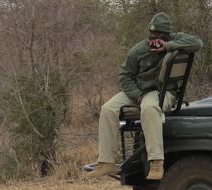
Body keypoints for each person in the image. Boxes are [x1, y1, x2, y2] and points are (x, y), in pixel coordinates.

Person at [85, 13, 202, 181]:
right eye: (152, 34)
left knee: (149, 107)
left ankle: (156, 162)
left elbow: (197, 43)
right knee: (108, 109)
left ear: (167, 34)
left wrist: (167, 46)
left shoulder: (177, 40)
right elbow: (125, 76)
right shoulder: (138, 50)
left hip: (162, 92)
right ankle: (106, 162)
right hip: (138, 91)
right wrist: (136, 95)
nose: (154, 38)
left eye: (159, 34)